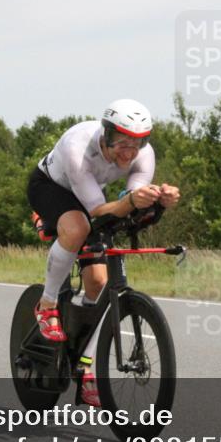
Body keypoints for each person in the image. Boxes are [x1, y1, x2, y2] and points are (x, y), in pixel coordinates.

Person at [27, 99, 180, 406]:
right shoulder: (78, 147)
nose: (129, 152)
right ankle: (47, 304)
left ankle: (85, 367)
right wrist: (131, 201)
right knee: (78, 228)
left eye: (137, 144)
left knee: (98, 283)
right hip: (52, 187)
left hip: (91, 193)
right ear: (106, 134)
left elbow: (128, 202)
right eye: (122, 142)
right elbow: (98, 211)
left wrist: (157, 200)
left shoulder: (144, 154)